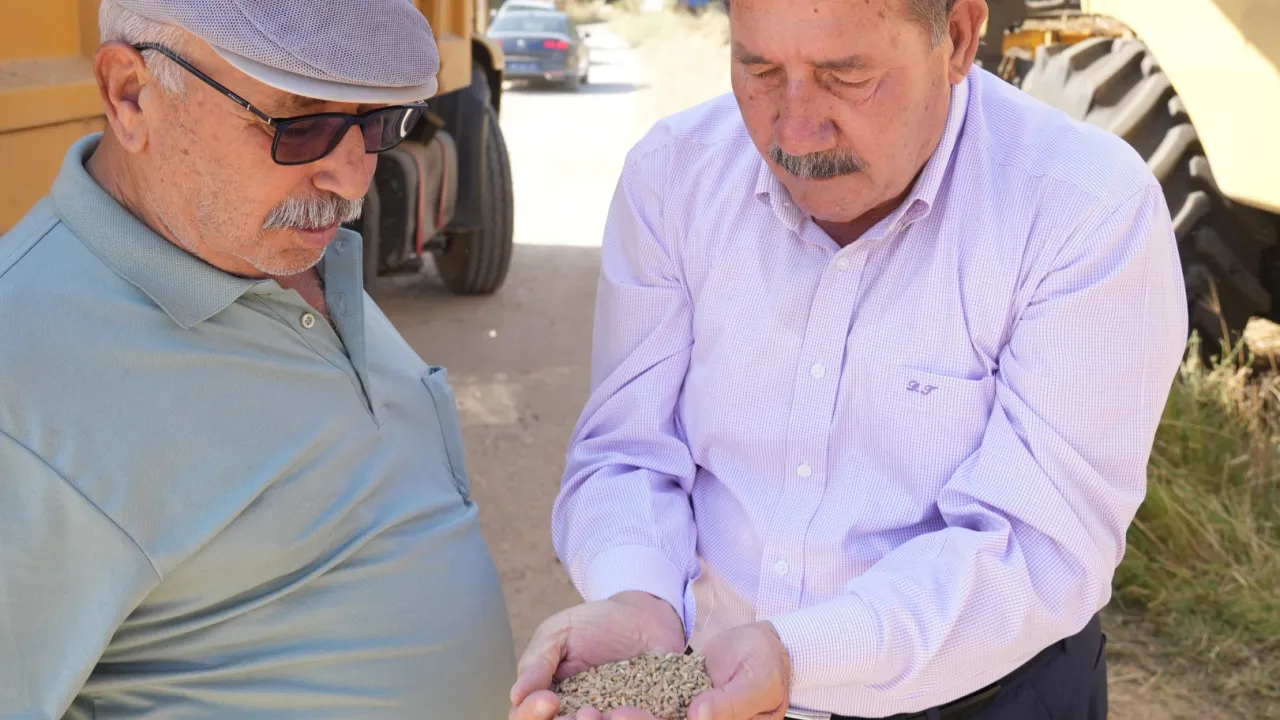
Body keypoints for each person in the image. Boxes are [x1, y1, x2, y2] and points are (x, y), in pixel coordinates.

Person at [511, 0, 1188, 719]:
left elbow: (1038, 545)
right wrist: (639, 596)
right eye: (760, 70)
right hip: (704, 691)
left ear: (958, 38)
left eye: (847, 77)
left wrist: (797, 654)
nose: (795, 132)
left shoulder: (1083, 208)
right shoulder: (673, 177)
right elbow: (626, 451)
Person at [0, 1, 515, 718]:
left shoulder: (273, 251)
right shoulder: (22, 387)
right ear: (130, 94)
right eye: (297, 124)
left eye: (378, 121)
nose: (353, 181)